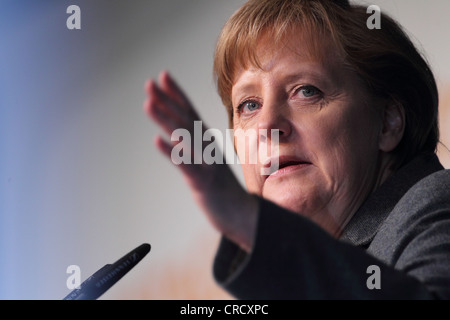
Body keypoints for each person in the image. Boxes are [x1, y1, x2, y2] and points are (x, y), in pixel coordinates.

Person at [144, 0, 450, 299]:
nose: (267, 125)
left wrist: (246, 218)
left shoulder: (438, 203)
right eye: (249, 105)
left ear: (387, 123)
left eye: (306, 91)